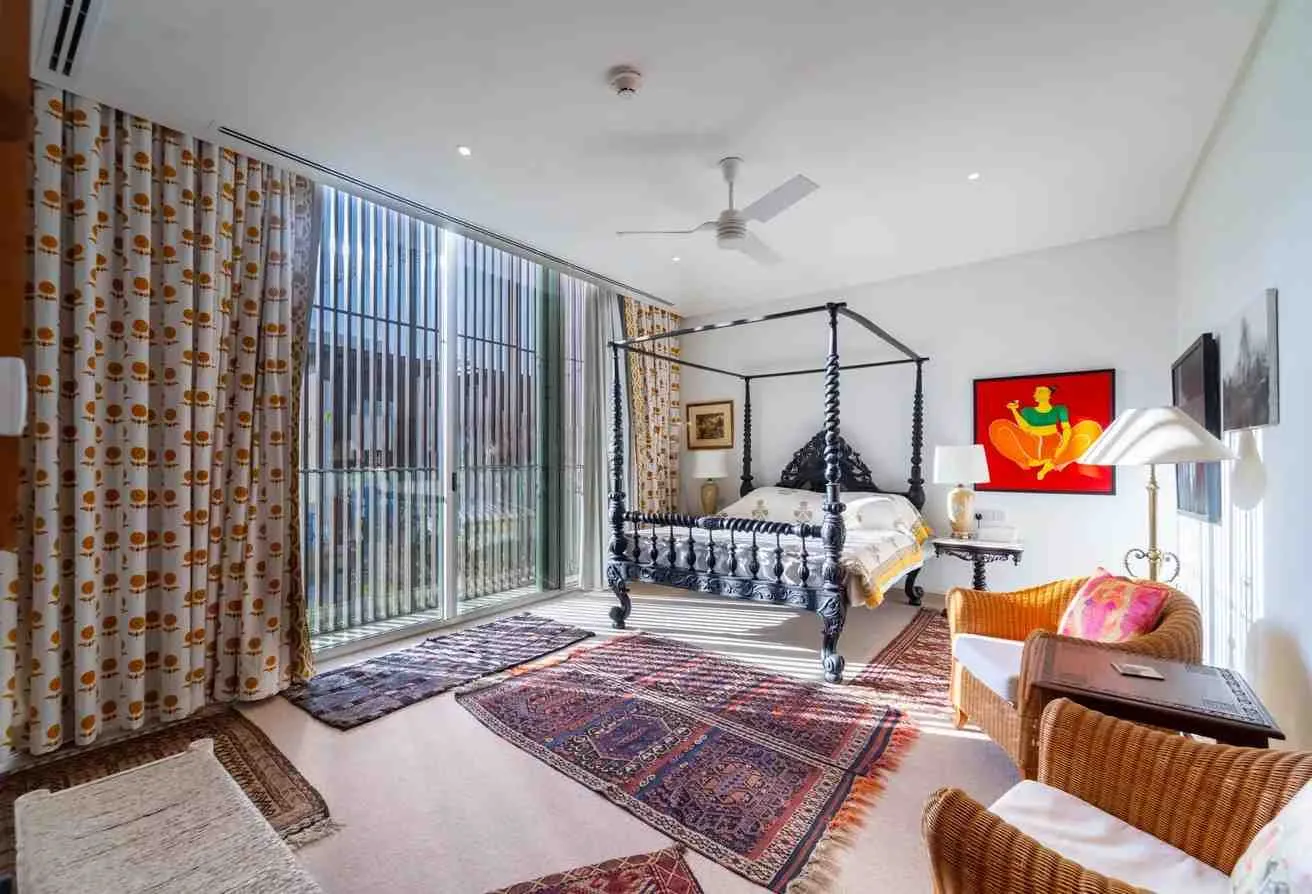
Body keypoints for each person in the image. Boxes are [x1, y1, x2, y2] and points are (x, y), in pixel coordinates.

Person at [987, 385, 1103, 480]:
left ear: (1049, 394)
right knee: (999, 426)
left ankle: (1051, 464)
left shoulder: (1059, 409)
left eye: (1042, 392)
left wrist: (1062, 446)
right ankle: (1038, 462)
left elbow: (1066, 429)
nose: (1038, 394)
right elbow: (1025, 428)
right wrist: (1014, 410)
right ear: (1035, 396)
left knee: (1091, 428)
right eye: (1037, 392)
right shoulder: (1027, 411)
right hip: (1032, 443)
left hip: (1054, 442)